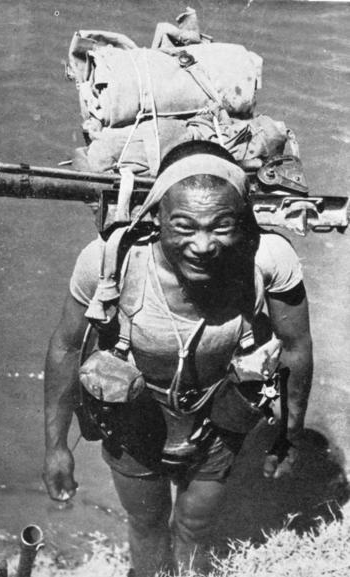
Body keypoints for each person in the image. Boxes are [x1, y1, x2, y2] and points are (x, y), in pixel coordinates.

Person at [43, 141, 313, 576]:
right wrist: (56, 447)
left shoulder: (266, 260)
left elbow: (296, 347)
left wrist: (289, 434)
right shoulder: (110, 261)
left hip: (219, 421)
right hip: (133, 421)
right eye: (184, 226)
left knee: (196, 526)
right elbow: (66, 348)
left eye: (222, 225)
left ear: (244, 221)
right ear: (156, 217)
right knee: (147, 526)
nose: (203, 245)